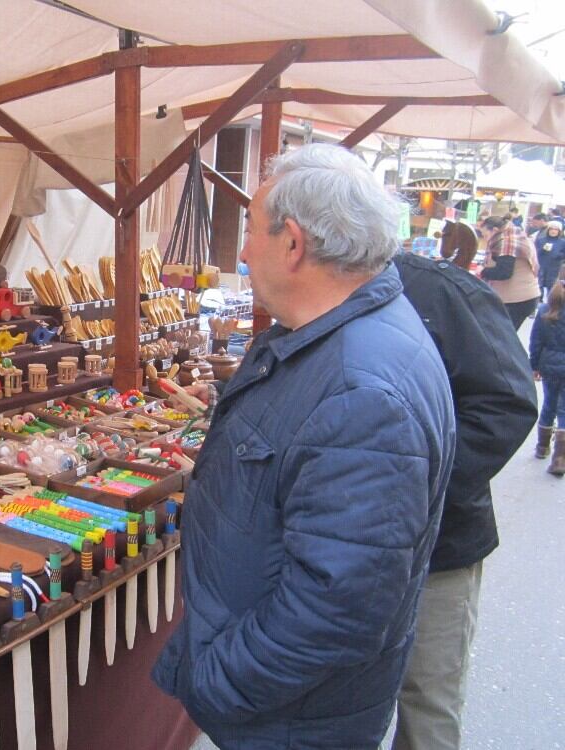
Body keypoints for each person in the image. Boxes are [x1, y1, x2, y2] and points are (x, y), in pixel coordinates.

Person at [152, 144, 455, 750]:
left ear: (292, 243)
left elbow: (336, 611)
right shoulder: (336, 339)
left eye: (249, 232)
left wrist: (215, 682)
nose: (241, 251)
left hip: (294, 723)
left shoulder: (358, 389)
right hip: (292, 707)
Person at [391, 253, 537, 750]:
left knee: (428, 697)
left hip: (441, 549)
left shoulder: (440, 291)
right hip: (340, 551)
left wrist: (403, 492)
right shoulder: (309, 296)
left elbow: (508, 404)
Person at [479, 215, 540, 329]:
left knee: (503, 337)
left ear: (495, 230)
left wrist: (483, 271)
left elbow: (504, 272)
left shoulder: (507, 242)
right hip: (524, 296)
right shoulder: (514, 234)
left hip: (517, 299)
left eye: (485, 235)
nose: (485, 239)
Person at [529, 280, 565, 476]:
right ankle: (560, 458)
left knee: (549, 404)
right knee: (564, 409)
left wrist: (533, 365)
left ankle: (542, 447)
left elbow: (536, 342)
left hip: (549, 366)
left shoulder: (545, 310)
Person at [535, 220, 565, 301]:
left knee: (551, 285)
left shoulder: (562, 242)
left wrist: (557, 255)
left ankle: (550, 301)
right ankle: (538, 301)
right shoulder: (541, 240)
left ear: (559, 231)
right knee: (539, 284)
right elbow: (535, 253)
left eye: (556, 230)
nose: (553, 231)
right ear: (548, 230)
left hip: (554, 267)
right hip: (541, 265)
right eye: (551, 229)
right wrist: (543, 249)